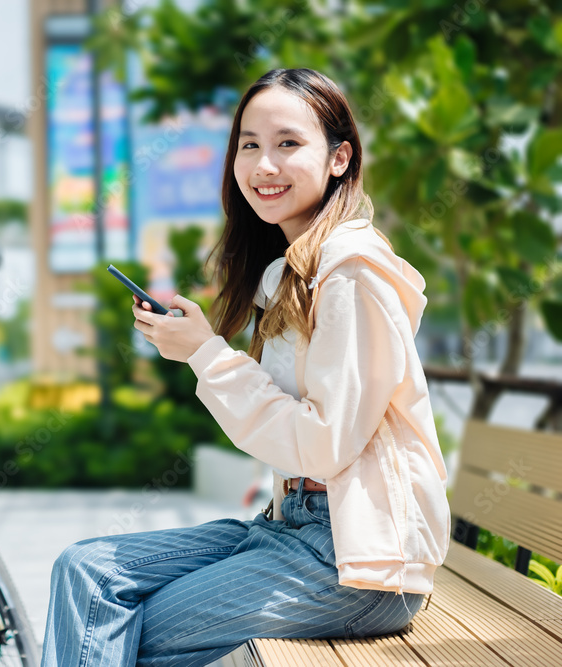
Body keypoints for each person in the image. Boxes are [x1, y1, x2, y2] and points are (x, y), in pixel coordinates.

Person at [40, 67, 451, 667]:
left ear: (339, 158)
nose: (263, 165)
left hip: (359, 562)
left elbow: (323, 446)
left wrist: (207, 354)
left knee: (113, 631)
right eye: (249, 145)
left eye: (288, 144)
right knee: (86, 569)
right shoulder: (291, 273)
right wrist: (202, 349)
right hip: (292, 527)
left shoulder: (352, 273)